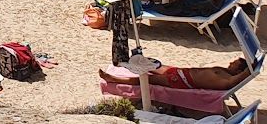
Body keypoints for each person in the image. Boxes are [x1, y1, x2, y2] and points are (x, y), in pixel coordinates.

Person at [98, 57, 250, 92]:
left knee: (148, 79)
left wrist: (250, 70)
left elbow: (233, 82)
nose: (231, 63)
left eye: (235, 63)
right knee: (151, 64)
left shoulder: (228, 79)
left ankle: (113, 78)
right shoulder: (224, 70)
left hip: (184, 82)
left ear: (238, 71)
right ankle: (124, 63)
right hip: (182, 72)